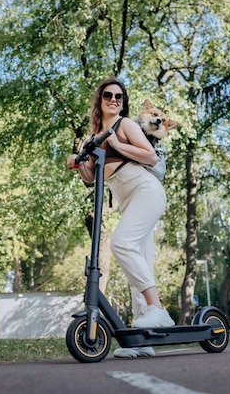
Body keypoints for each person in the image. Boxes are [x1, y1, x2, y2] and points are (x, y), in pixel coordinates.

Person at [67, 76, 174, 358]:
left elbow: (150, 157)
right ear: (99, 101)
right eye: (108, 96)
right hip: (126, 198)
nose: (114, 100)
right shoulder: (94, 138)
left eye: (119, 97)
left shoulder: (124, 125)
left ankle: (158, 311)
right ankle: (144, 341)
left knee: (121, 244)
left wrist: (116, 142)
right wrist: (77, 163)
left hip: (145, 189)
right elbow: (91, 177)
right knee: (140, 266)